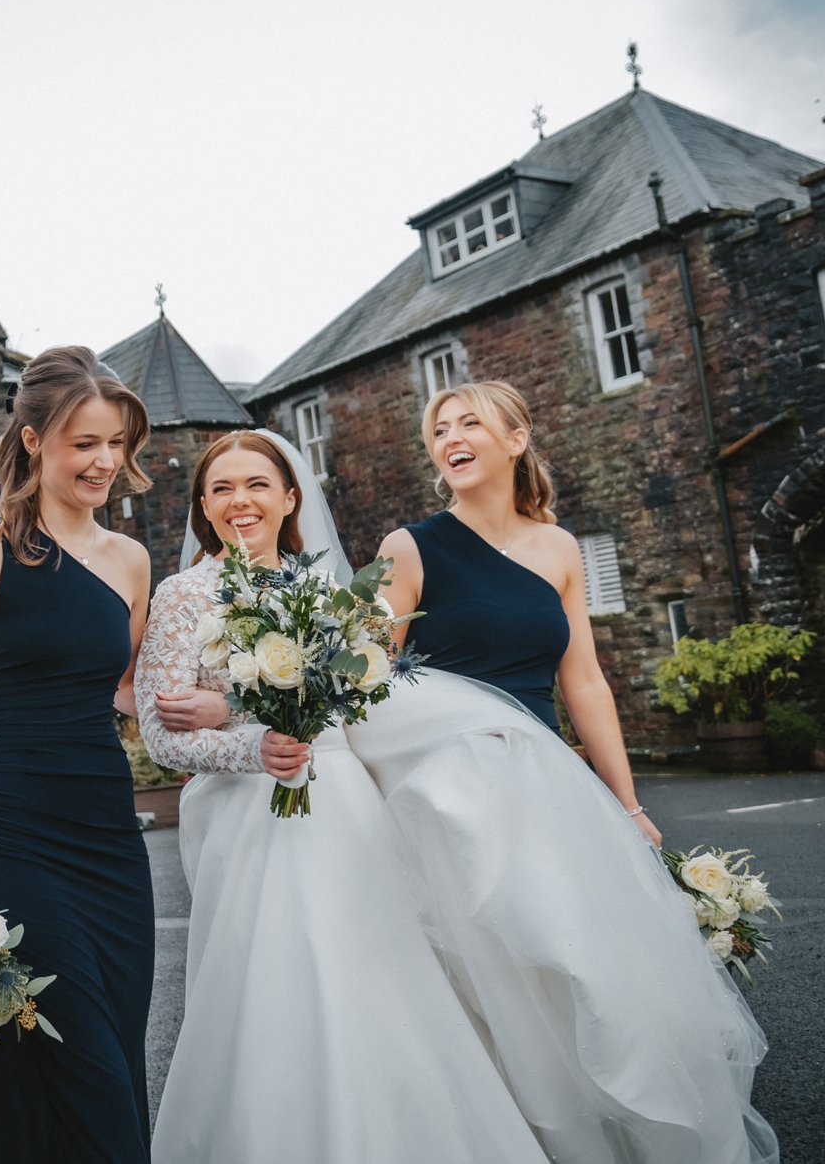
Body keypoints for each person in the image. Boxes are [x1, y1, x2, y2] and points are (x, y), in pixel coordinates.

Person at [350, 380, 779, 1162]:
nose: (450, 435)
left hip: (548, 783)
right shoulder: (408, 548)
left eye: (469, 421)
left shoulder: (559, 548)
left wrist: (627, 801)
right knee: (499, 972)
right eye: (438, 428)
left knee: (588, 973)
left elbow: (583, 680)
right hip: (450, 792)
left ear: (516, 439)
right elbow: (366, 675)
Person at [137, 430, 545, 1164]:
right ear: (202, 506)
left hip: (343, 806)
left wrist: (233, 709)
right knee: (267, 987)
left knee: (373, 974)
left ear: (290, 496)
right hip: (242, 817)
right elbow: (162, 736)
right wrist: (249, 742)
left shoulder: (328, 592)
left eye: (257, 484)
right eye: (222, 488)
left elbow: (362, 702)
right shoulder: (181, 594)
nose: (241, 501)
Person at [0, 345, 157, 1163]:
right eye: (84, 442)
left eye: (115, 442)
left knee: (116, 1046)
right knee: (70, 1061)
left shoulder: (131, 561)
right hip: (10, 832)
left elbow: (122, 693)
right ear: (31, 440)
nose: (105, 461)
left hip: (108, 838)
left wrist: (238, 709)